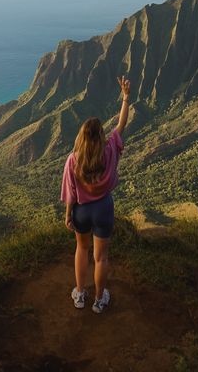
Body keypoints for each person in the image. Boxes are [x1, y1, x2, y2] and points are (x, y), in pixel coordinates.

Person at [60, 75, 130, 314]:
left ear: (81, 137)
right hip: (103, 209)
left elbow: (70, 192)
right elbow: (121, 124)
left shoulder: (73, 160)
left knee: (82, 250)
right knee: (101, 257)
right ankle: (99, 300)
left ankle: (80, 294)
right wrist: (126, 98)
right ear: (101, 137)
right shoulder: (110, 150)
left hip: (81, 210)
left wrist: (68, 215)